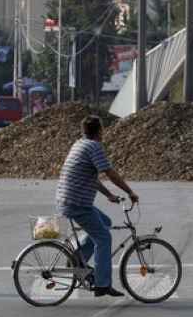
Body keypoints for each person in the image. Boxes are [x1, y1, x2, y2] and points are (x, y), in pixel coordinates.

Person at [56, 115, 139, 297]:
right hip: (77, 204)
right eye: (102, 129)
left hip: (69, 200)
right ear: (99, 131)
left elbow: (90, 178)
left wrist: (109, 195)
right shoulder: (94, 146)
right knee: (104, 238)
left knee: (105, 222)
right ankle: (102, 284)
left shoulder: (79, 144)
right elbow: (109, 173)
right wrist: (130, 191)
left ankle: (78, 260)